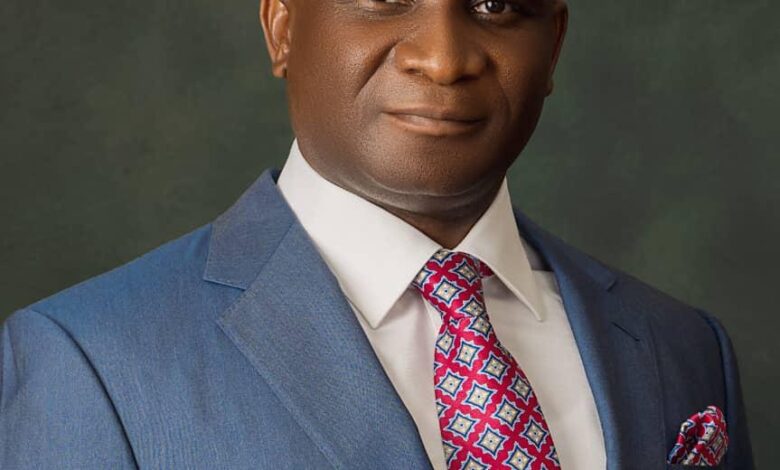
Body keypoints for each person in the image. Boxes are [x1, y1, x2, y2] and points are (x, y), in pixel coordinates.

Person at [0, 0, 753, 468]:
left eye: (494, 4)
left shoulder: (683, 347)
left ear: (553, 45)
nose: (445, 58)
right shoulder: (90, 362)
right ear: (282, 25)